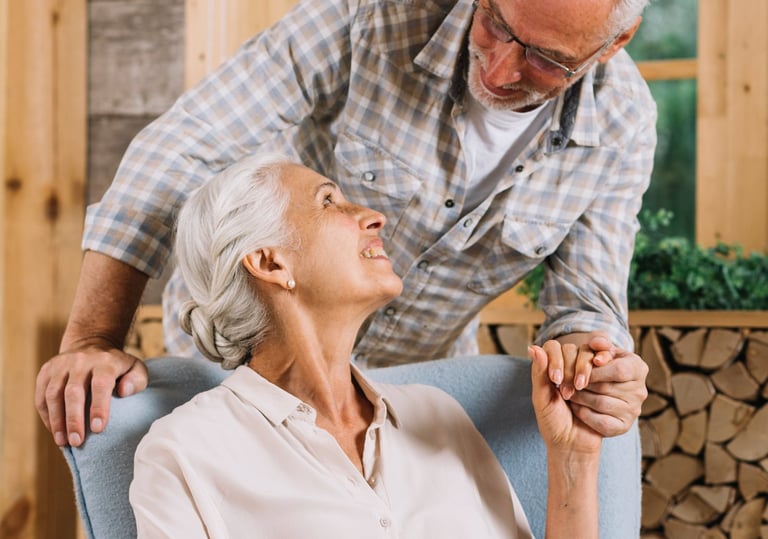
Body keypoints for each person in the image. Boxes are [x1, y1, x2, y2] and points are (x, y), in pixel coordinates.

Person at [37, 0, 652, 451]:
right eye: (495, 22)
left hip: (403, 400)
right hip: (229, 367)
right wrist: (93, 337)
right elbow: (181, 149)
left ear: (615, 42)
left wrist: (593, 361)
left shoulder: (624, 126)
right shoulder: (375, 15)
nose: (498, 71)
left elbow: (587, 304)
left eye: (546, 60)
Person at [129, 153, 604, 538]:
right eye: (329, 201)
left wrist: (574, 459)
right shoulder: (185, 452)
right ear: (269, 262)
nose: (374, 216)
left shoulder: (437, 415)